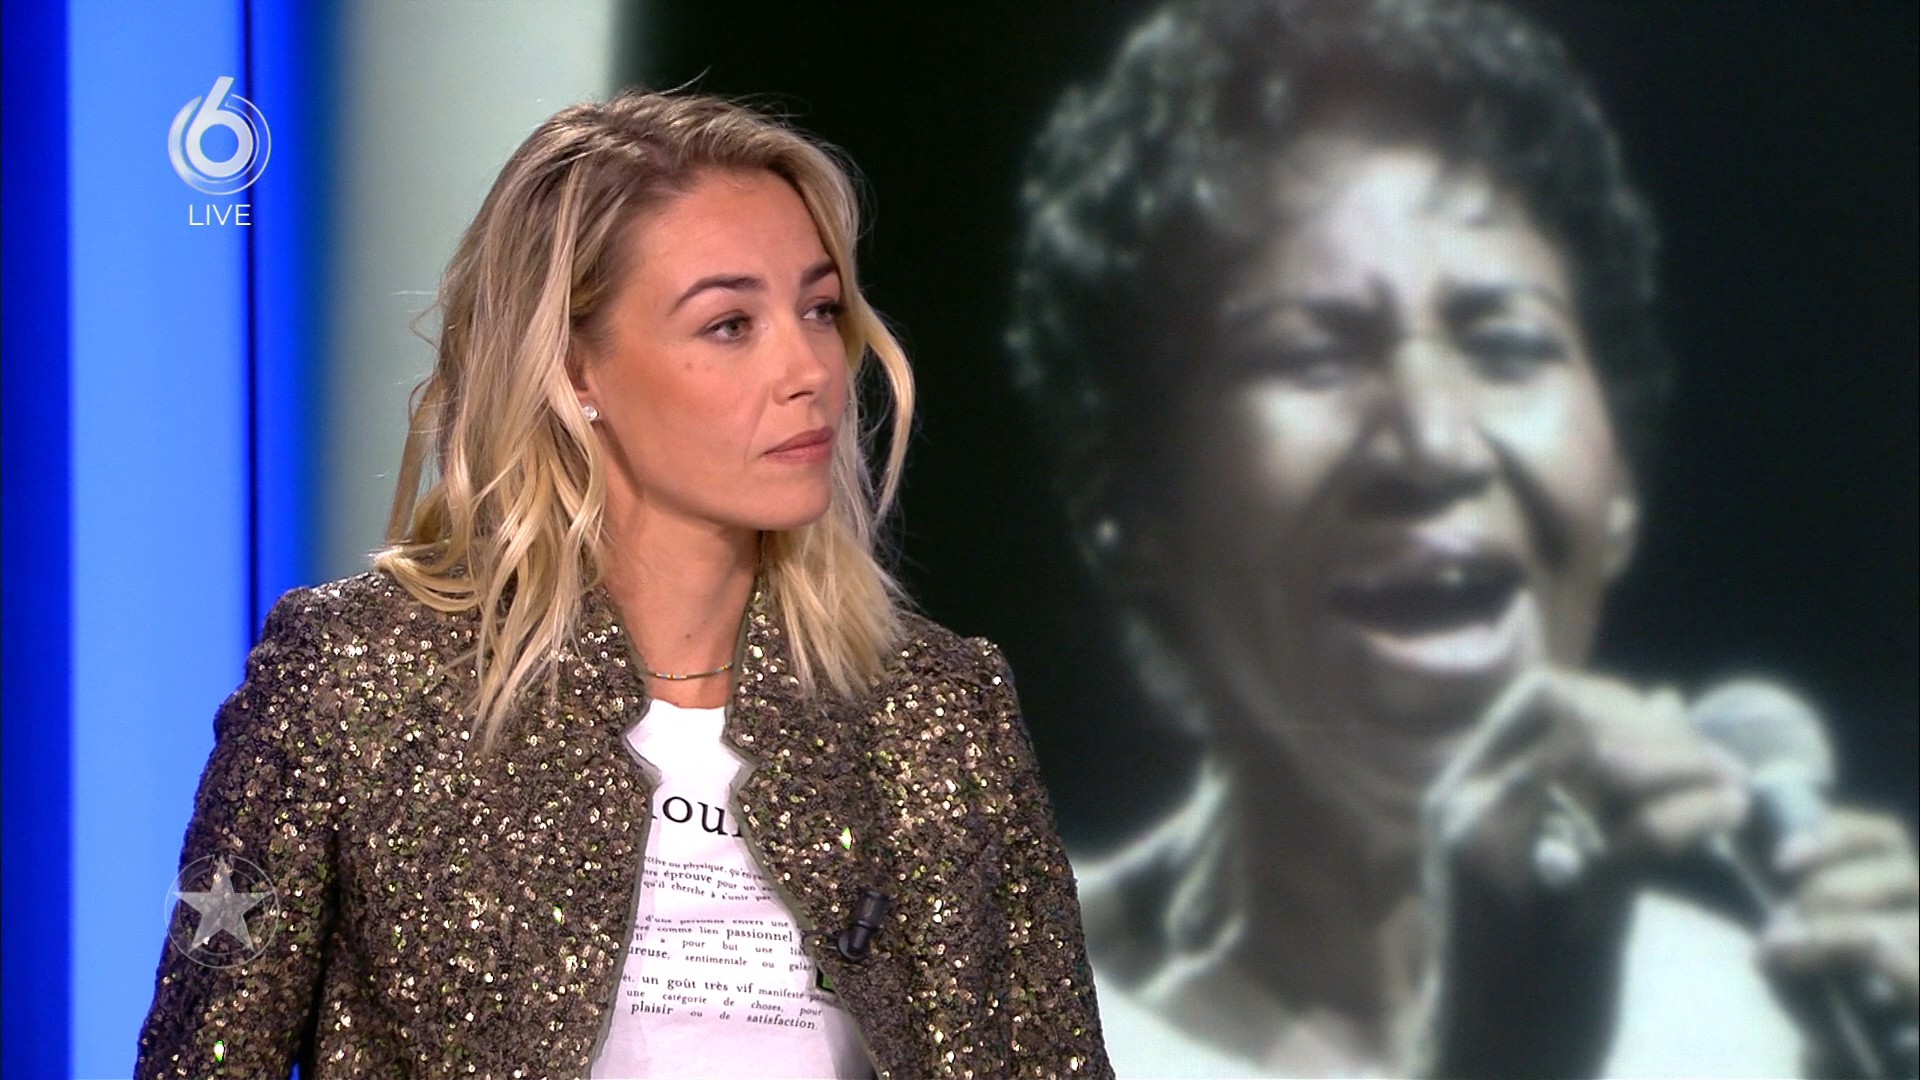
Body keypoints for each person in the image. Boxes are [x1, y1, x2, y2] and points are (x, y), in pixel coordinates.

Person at [1007, 1, 1918, 1076]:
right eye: (1311, 354)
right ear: (1129, 501)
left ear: (1619, 485)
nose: (1433, 444)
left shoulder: (1772, 1026)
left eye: (1508, 344)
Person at [137, 90, 1109, 1079]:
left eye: (819, 309)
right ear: (573, 369)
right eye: (730, 324)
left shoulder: (939, 714)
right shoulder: (359, 681)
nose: (811, 368)